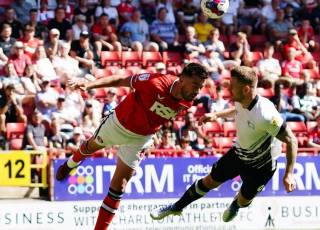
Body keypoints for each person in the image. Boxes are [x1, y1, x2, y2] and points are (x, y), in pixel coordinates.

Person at [55, 63, 208, 230]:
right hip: (118, 124)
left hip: (140, 139)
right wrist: (90, 84)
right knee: (90, 147)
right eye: (195, 85)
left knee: (119, 188)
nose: (197, 91)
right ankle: (69, 164)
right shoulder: (154, 82)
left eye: (200, 87)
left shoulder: (188, 101)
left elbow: (159, 114)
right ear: (182, 78)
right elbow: (121, 79)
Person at [150, 66, 297, 222]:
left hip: (262, 166)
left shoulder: (266, 115)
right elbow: (237, 110)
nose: (229, 89)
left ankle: (236, 205)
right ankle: (176, 207)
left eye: (232, 86)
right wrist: (216, 115)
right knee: (209, 181)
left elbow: (291, 140)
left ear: (246, 89)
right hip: (239, 153)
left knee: (243, 200)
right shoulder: (242, 100)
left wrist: (288, 174)